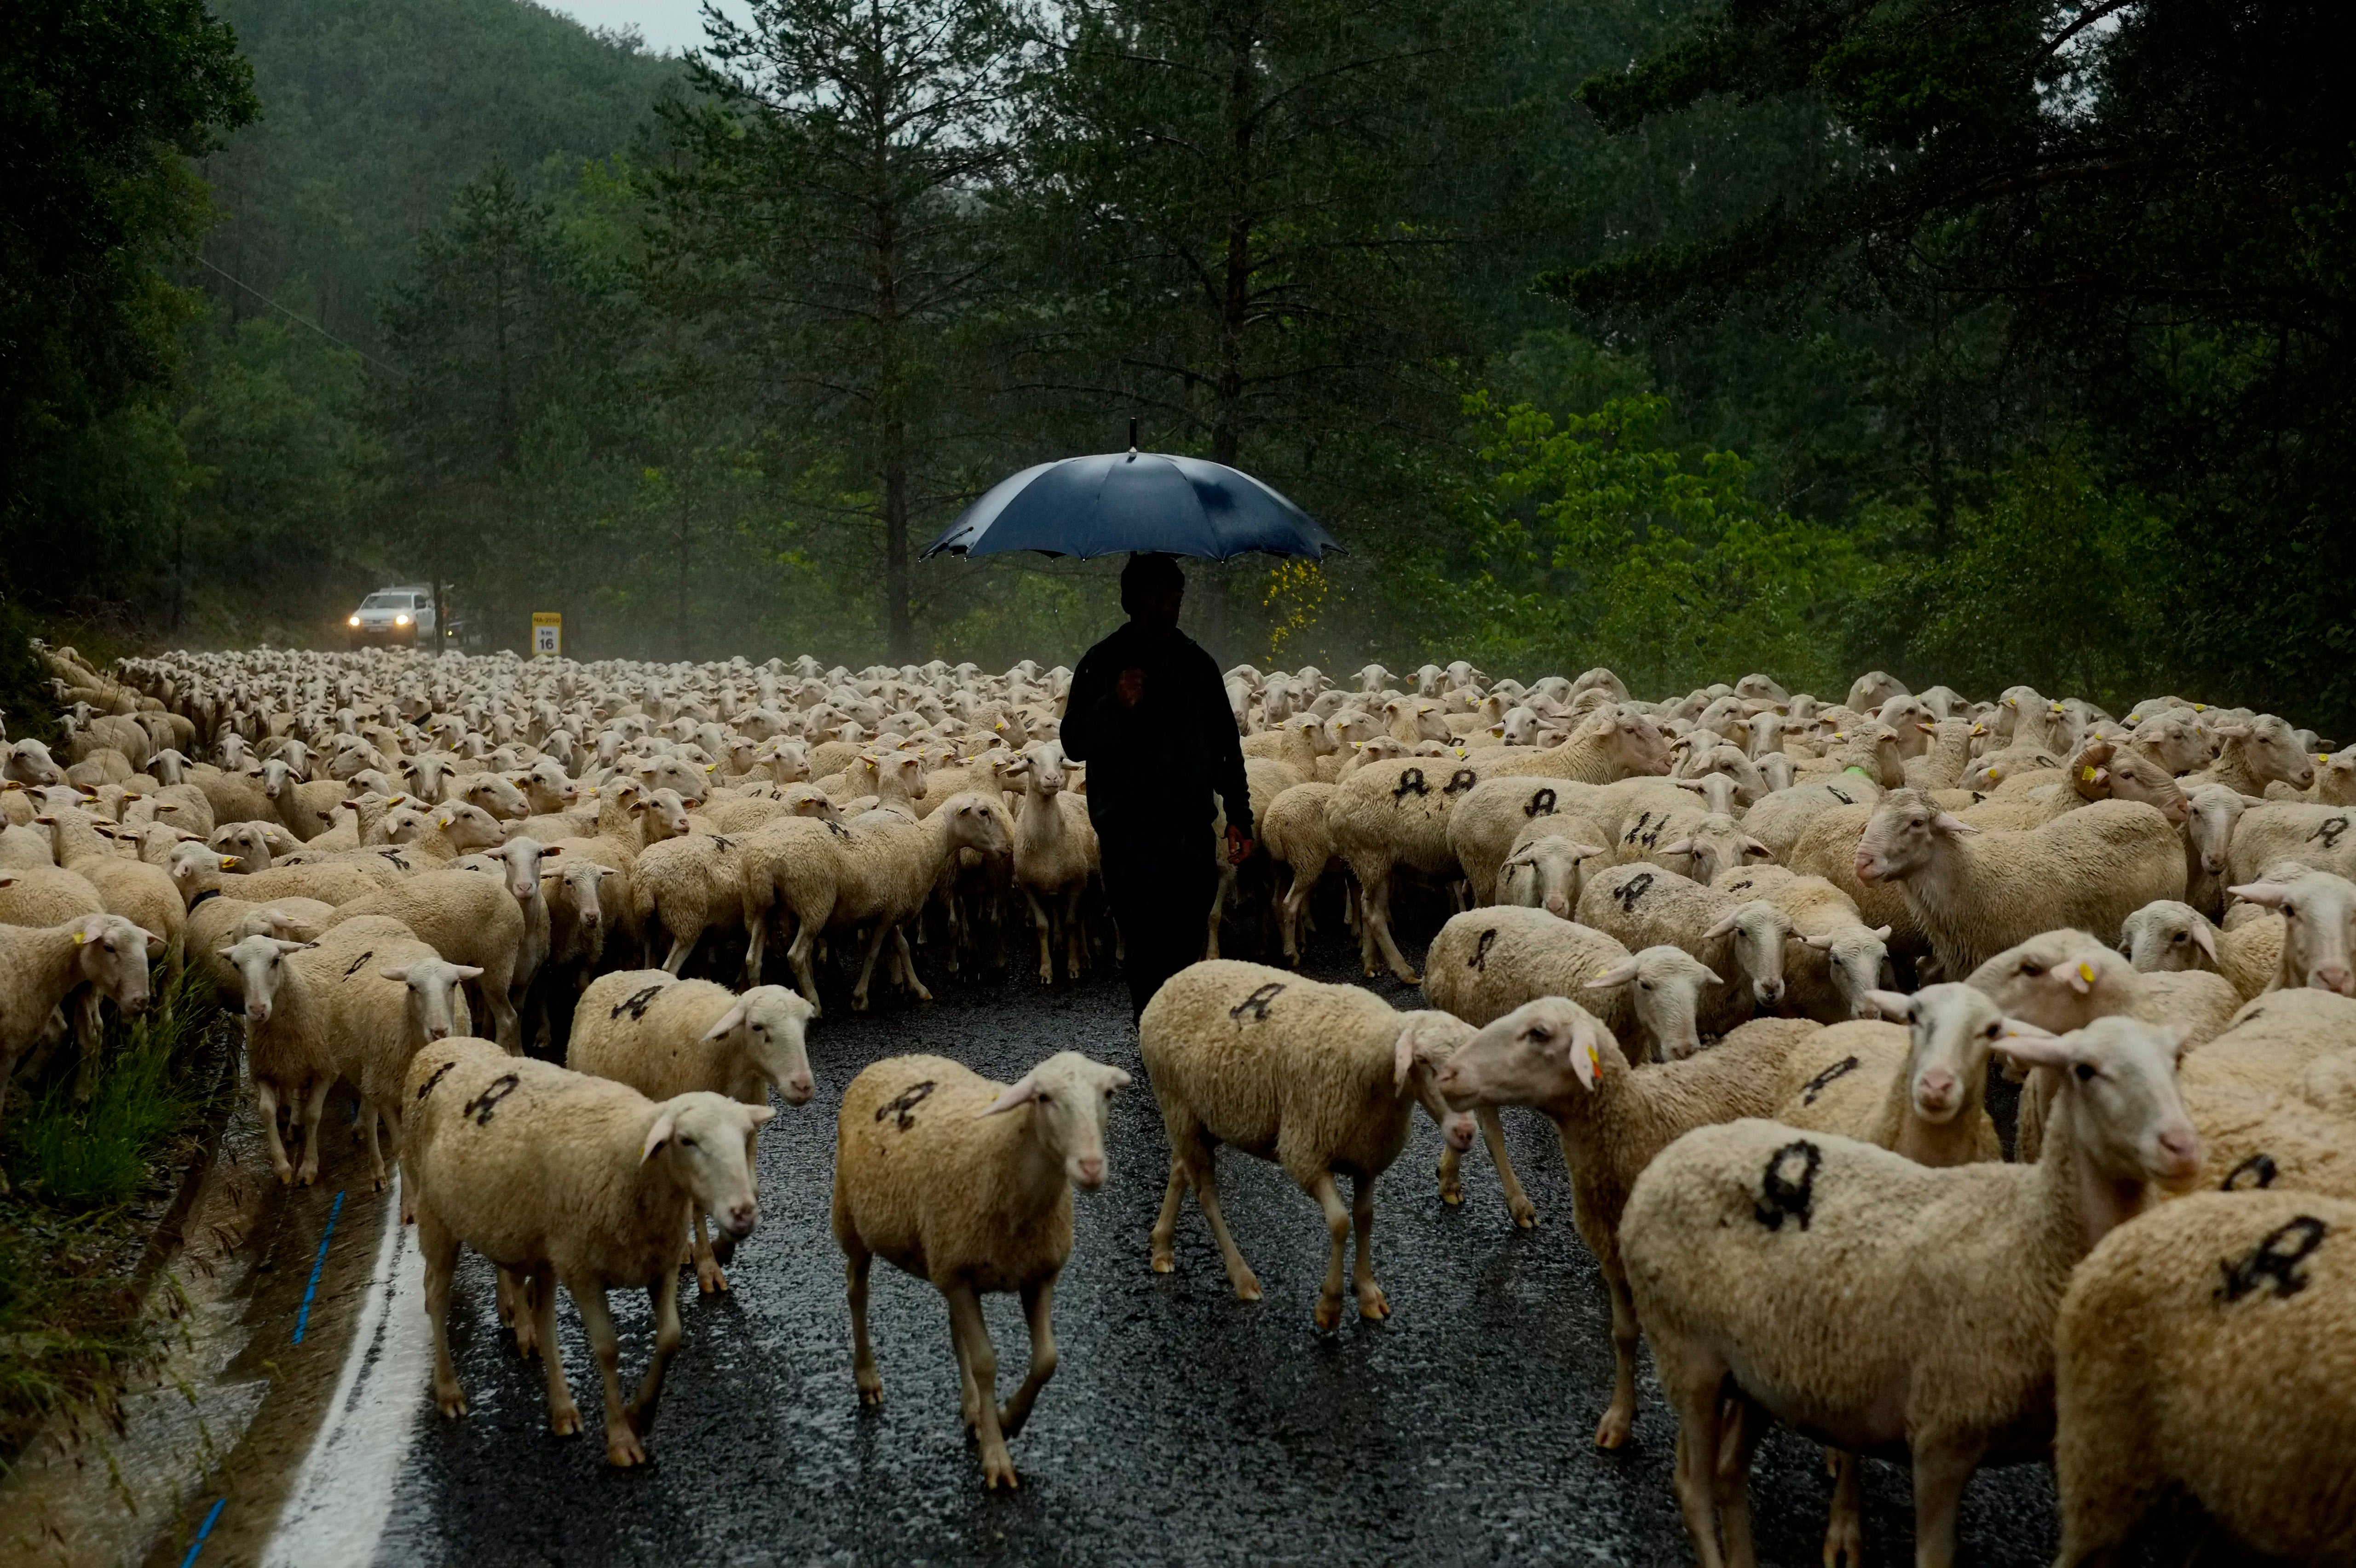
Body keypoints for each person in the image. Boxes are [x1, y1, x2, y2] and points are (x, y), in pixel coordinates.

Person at [1060, 553, 1255, 1022]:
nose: (1167, 610)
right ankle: (1153, 1040)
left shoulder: (1197, 666)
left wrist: (1240, 815)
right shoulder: (1101, 663)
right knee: (1144, 946)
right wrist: (1115, 703)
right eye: (1154, 599)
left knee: (1187, 943)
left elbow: (1226, 745)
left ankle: (1181, 1041)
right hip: (1127, 835)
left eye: (1174, 600)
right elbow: (1074, 742)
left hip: (1188, 830)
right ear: (1130, 601)